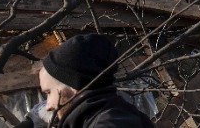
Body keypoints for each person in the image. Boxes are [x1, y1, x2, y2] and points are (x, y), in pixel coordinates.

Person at [17, 33, 154, 127]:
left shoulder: (111, 123)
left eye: (48, 92)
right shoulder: (114, 115)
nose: (48, 105)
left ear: (73, 85)